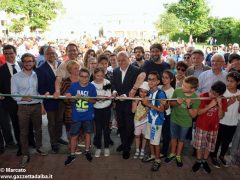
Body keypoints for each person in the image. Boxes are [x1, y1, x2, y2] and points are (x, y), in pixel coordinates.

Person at [11, 53, 47, 168]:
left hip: (36, 106)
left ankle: (39, 148)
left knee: (39, 129)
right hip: (23, 108)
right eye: (26, 61)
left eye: (30, 61)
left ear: (33, 62)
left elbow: (40, 91)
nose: (28, 63)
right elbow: (13, 94)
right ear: (23, 62)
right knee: (24, 132)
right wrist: (22, 98)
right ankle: (25, 153)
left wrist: (42, 105)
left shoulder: (37, 75)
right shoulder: (15, 77)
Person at [112, 51, 146, 159]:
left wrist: (126, 95)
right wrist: (114, 92)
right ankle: (124, 143)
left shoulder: (136, 70)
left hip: (130, 104)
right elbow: (113, 84)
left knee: (130, 127)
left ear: (128, 59)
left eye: (123, 60)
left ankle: (126, 148)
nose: (121, 62)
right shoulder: (115, 70)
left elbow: (139, 83)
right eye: (119, 60)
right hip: (118, 104)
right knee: (121, 126)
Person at [192, 81, 227, 173]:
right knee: (199, 145)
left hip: (213, 128)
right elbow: (198, 113)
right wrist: (210, 105)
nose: (211, 94)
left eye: (215, 93)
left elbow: (221, 116)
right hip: (201, 125)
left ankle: (204, 161)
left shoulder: (223, 99)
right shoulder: (204, 95)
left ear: (220, 94)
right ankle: (198, 161)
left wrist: (219, 105)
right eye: (211, 91)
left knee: (209, 146)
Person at [36, 46, 66, 153]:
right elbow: (39, 86)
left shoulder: (61, 65)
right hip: (50, 100)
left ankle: (58, 138)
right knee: (52, 122)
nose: (51, 55)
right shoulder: (40, 69)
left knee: (59, 121)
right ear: (44, 55)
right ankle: (53, 143)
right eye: (48, 53)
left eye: (53, 53)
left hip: (62, 99)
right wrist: (45, 93)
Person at [165, 76, 200, 167]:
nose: (182, 87)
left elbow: (193, 115)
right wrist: (177, 102)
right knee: (173, 137)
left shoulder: (196, 98)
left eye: (185, 87)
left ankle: (178, 155)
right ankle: (172, 153)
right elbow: (170, 104)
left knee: (181, 140)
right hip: (174, 119)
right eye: (183, 85)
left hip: (185, 122)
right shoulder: (177, 91)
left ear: (192, 89)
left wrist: (189, 105)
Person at [64, 68, 97, 165]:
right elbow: (67, 99)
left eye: (86, 77)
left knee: (88, 134)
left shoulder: (91, 87)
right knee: (74, 136)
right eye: (82, 76)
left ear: (88, 77)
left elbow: (94, 101)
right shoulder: (74, 86)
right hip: (77, 116)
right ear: (79, 76)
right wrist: (69, 96)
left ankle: (87, 151)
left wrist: (88, 99)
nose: (84, 79)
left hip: (88, 116)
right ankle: (72, 154)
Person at [211, 72, 240, 167]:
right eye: (228, 81)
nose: (229, 83)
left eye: (232, 81)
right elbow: (217, 108)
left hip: (233, 121)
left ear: (238, 82)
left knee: (227, 140)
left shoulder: (239, 93)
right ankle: (214, 156)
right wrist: (229, 103)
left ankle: (222, 156)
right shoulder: (223, 93)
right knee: (218, 139)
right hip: (222, 120)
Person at [141, 72, 168, 171]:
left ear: (157, 81)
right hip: (150, 119)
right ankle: (152, 155)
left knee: (155, 142)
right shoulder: (150, 92)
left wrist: (147, 104)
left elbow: (161, 110)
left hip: (157, 122)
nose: (150, 81)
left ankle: (157, 160)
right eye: (149, 79)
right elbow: (149, 106)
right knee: (149, 138)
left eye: (153, 79)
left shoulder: (161, 93)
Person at [0, 45, 22, 156]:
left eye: (11, 53)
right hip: (9, 103)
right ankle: (19, 144)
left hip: (25, 100)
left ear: (15, 53)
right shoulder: (1, 69)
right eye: (6, 54)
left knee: (27, 123)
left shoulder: (24, 65)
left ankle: (30, 142)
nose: (9, 56)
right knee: (15, 123)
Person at [91, 67, 112, 157]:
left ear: (104, 74)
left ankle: (106, 147)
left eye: (101, 75)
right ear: (94, 75)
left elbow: (108, 96)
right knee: (98, 129)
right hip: (96, 109)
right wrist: (99, 98)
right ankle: (98, 147)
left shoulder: (107, 82)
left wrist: (99, 98)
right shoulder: (91, 84)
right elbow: (92, 97)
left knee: (106, 129)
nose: (100, 77)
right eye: (97, 75)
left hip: (106, 108)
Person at [159, 70, 175, 157]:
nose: (164, 79)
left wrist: (165, 104)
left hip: (166, 114)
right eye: (163, 77)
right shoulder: (159, 87)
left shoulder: (172, 91)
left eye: (166, 78)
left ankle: (164, 151)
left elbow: (168, 106)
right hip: (157, 113)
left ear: (171, 79)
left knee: (166, 134)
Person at [131, 81, 149, 159]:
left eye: (145, 92)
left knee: (144, 136)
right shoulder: (136, 98)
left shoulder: (148, 99)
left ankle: (142, 150)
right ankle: (137, 150)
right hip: (137, 121)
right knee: (137, 136)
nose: (143, 94)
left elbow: (148, 110)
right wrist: (135, 103)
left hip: (145, 121)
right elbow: (133, 111)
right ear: (139, 91)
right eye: (141, 91)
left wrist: (143, 116)